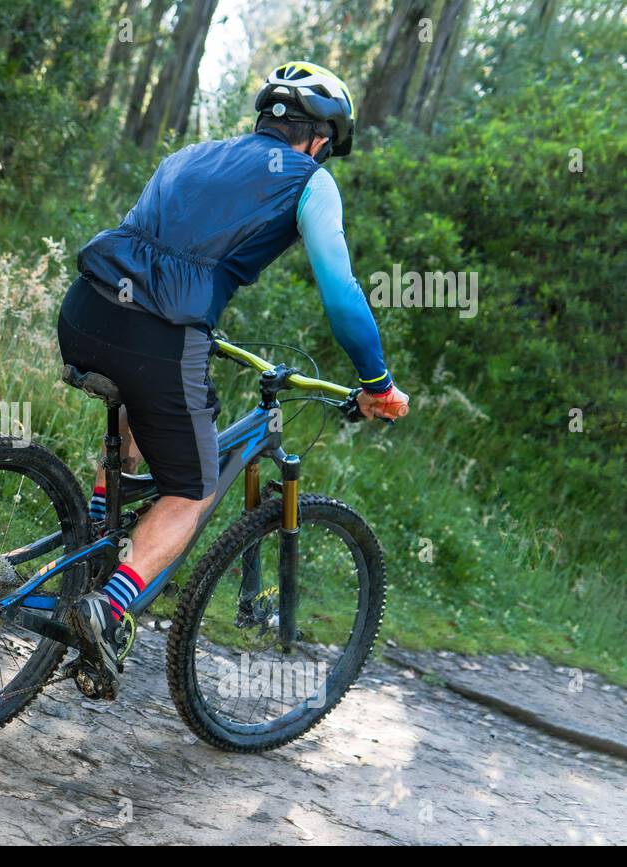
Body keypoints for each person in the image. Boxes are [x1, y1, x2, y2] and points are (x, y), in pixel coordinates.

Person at [58, 61, 411, 700]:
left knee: (139, 427)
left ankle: (88, 552)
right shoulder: (312, 180)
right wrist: (378, 382)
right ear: (322, 140)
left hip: (86, 309)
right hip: (161, 334)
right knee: (190, 491)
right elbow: (342, 294)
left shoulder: (191, 155)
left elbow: (149, 249)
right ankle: (106, 611)